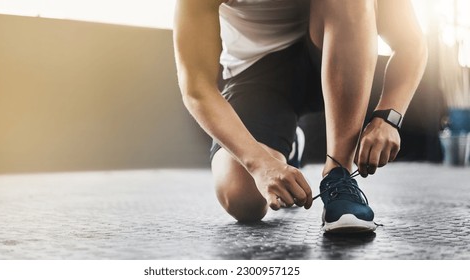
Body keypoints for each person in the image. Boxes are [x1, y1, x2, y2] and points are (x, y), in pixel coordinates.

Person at [173, 0, 427, 233]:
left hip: (339, 52)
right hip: (257, 74)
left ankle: (338, 176)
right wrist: (260, 163)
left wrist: (388, 117)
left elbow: (410, 43)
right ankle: (290, 146)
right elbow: (196, 88)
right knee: (242, 199)